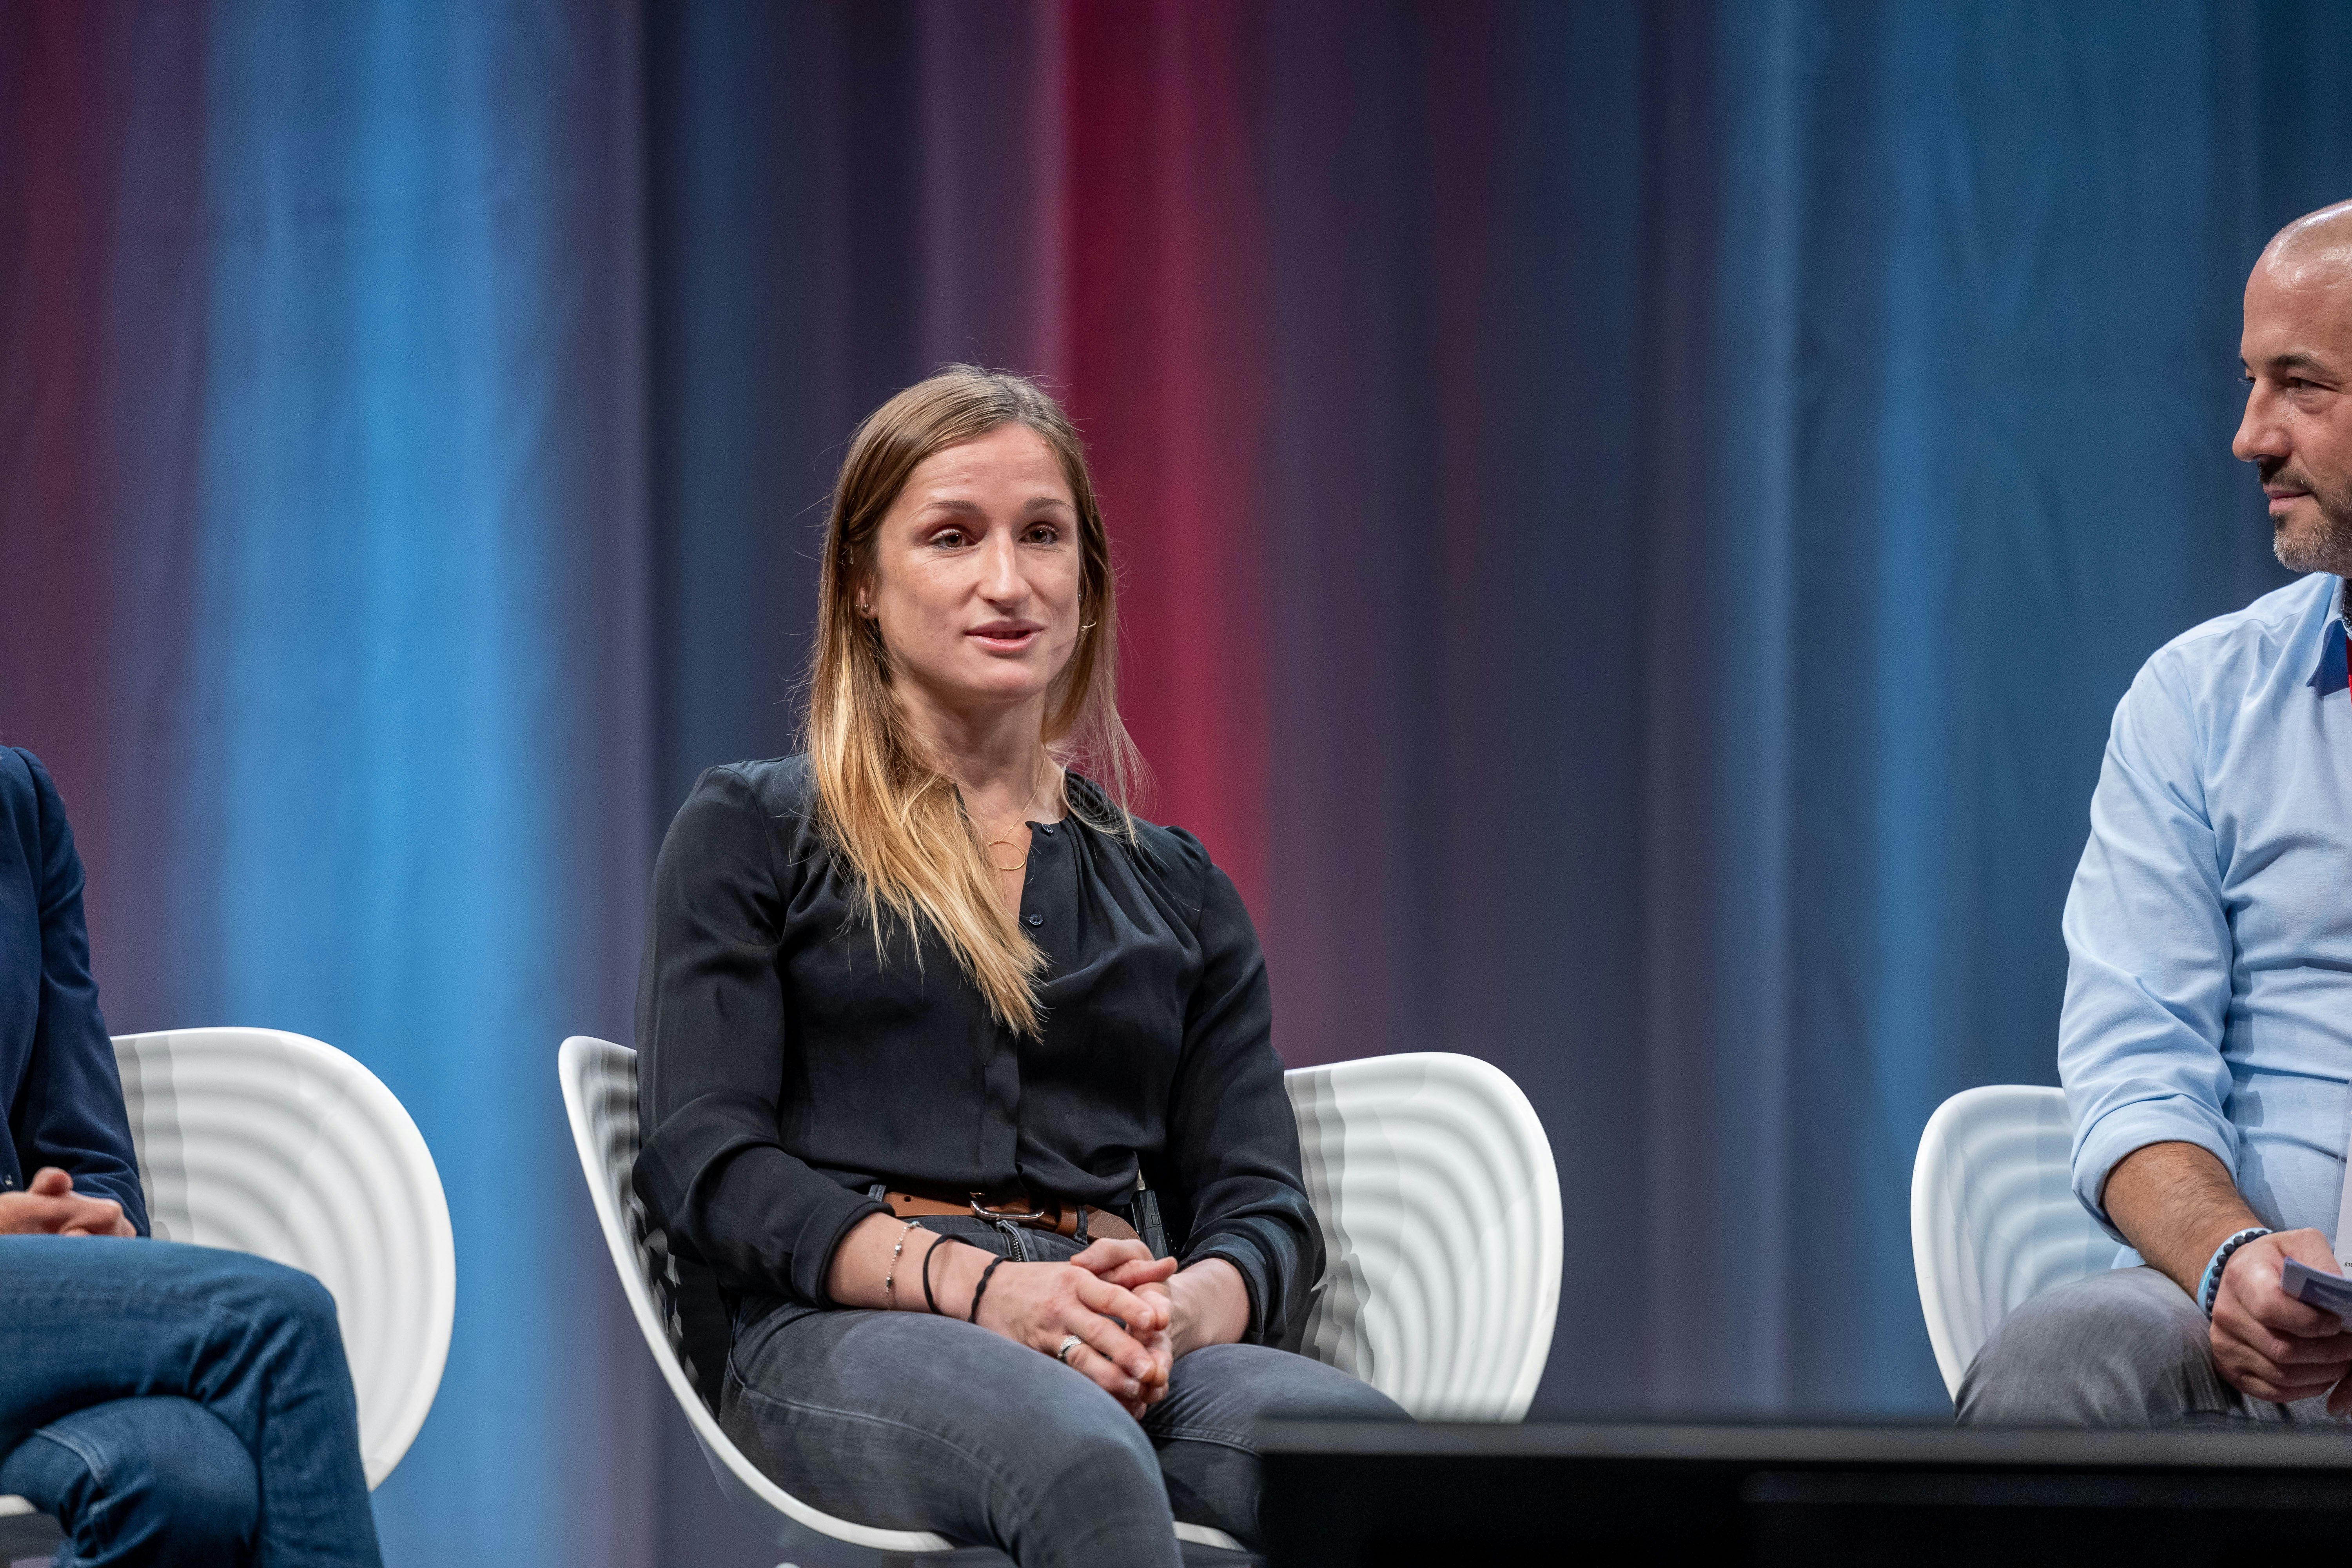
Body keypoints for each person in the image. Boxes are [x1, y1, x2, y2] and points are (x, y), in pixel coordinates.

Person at [634, 366, 1404, 1565]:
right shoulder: (757, 831)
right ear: (863, 586)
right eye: (953, 536)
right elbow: (710, 1165)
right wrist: (994, 1296)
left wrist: (1167, 1313)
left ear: (1087, 587)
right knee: (1078, 1457)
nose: (1009, 581)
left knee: (1387, 1474)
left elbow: (1261, 1209)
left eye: (1042, 536)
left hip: (1114, 1328)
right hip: (840, 1329)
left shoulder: (1177, 889)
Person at [1960, 201, 2352, 1425]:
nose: (2247, 436)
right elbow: (2137, 1071)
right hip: (2255, 1325)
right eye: (2248, 382)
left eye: (2301, 386)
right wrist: (2232, 1264)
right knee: (2066, 1357)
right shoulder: (2197, 704)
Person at [0, 745, 383, 1566]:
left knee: (186, 1480)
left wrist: (86, 1231)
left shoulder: (16, 802)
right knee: (274, 1324)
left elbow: (87, 1151)